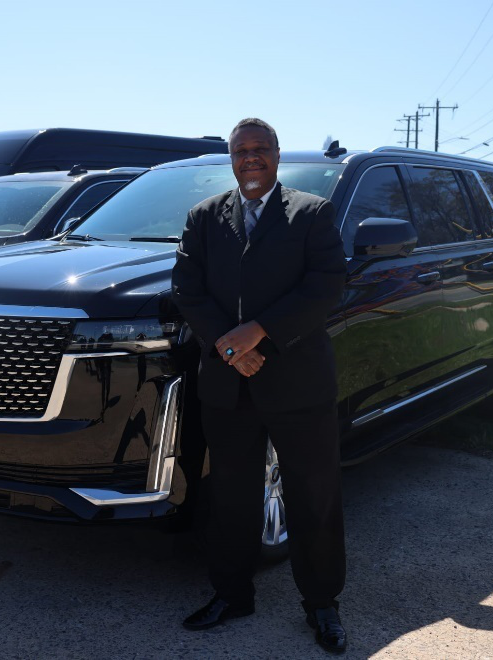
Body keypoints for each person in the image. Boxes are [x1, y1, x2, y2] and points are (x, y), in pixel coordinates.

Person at [171, 118, 348, 653]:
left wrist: (259, 335)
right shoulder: (204, 217)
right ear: (231, 158)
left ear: (276, 155)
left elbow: (326, 285)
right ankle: (232, 594)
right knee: (230, 496)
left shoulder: (311, 213)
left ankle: (321, 603)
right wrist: (229, 347)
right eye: (241, 150)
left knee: (312, 495)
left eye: (260, 149)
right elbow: (186, 286)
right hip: (229, 385)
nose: (251, 157)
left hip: (298, 382)